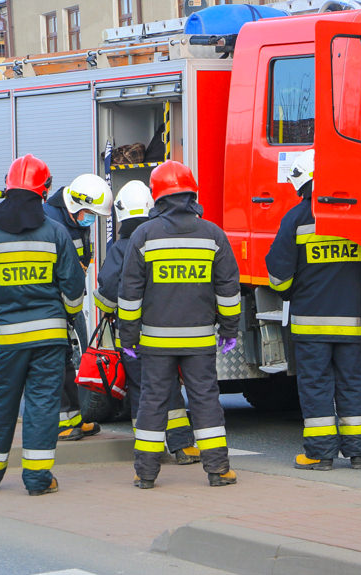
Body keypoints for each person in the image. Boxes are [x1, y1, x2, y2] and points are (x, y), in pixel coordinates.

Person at [0, 154, 85, 496]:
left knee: (1, 403)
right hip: (50, 339)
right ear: (43, 191)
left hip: (10, 339)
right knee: (43, 406)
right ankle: (38, 479)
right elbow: (74, 291)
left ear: (8, 186)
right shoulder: (57, 233)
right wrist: (66, 317)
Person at [118, 161, 241, 489]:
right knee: (205, 400)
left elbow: (130, 294)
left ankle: (145, 473)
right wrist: (229, 330)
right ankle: (218, 469)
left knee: (153, 401)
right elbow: (228, 289)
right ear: (192, 194)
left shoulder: (144, 235)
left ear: (156, 196)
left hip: (156, 342)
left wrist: (127, 336)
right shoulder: (213, 235)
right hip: (199, 341)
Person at [265, 149, 361, 471]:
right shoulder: (354, 216)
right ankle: (360, 453)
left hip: (310, 326)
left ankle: (320, 455)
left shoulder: (294, 219)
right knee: (354, 383)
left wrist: (292, 290)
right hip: (352, 326)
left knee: (316, 386)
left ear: (300, 181)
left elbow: (277, 275)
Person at [94, 180, 200, 465]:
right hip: (166, 329)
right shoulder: (159, 238)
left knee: (143, 389)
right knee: (169, 387)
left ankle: (148, 450)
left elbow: (107, 292)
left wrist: (105, 307)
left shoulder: (121, 247)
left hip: (133, 336)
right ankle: (182, 446)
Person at [44, 174, 113, 441]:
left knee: (71, 363)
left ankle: (75, 419)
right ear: (75, 206)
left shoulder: (73, 219)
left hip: (70, 301)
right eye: (89, 213)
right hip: (54, 303)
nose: (91, 220)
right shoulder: (50, 220)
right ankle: (61, 423)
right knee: (57, 365)